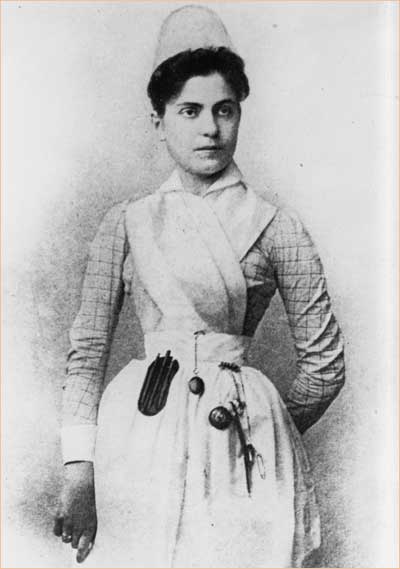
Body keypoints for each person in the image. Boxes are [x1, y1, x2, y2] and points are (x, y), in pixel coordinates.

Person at [53, 6, 345, 568]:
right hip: (138, 439)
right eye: (189, 111)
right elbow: (87, 353)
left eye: (224, 109)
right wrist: (78, 470)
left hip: (237, 444)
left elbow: (325, 366)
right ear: (159, 121)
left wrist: (263, 421)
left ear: (239, 116)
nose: (210, 128)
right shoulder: (126, 223)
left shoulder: (277, 227)